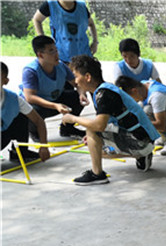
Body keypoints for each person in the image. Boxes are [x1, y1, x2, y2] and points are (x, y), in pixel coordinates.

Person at [61, 55, 160, 185]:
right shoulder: (106, 89)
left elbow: (99, 126)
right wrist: (96, 140)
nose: (76, 82)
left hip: (141, 141)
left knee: (91, 129)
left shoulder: (104, 94)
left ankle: (98, 174)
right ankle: (142, 156)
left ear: (88, 77)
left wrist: (72, 118)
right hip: (144, 139)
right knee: (96, 148)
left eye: (76, 76)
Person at [20, 35, 87, 141]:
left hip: (55, 100)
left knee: (76, 97)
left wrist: (82, 94)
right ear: (40, 55)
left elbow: (77, 83)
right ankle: (35, 132)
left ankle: (67, 128)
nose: (56, 54)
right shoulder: (31, 71)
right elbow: (30, 97)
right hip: (40, 105)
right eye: (51, 51)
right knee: (32, 109)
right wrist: (55, 106)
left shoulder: (61, 66)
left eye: (56, 50)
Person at [115, 76, 166, 156]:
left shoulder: (157, 96)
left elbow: (161, 125)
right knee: (142, 110)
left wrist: (134, 124)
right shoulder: (143, 85)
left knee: (147, 110)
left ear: (135, 91)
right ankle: (163, 137)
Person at [1, 62, 50, 162]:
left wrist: (43, 146)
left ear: (5, 81)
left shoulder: (13, 99)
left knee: (21, 115)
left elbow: (38, 121)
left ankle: (20, 152)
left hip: (3, 136)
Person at [32, 0, 98, 64]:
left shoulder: (82, 6)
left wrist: (95, 42)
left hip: (84, 55)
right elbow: (37, 19)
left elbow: (91, 24)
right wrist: (42, 40)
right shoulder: (51, 4)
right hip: (62, 55)